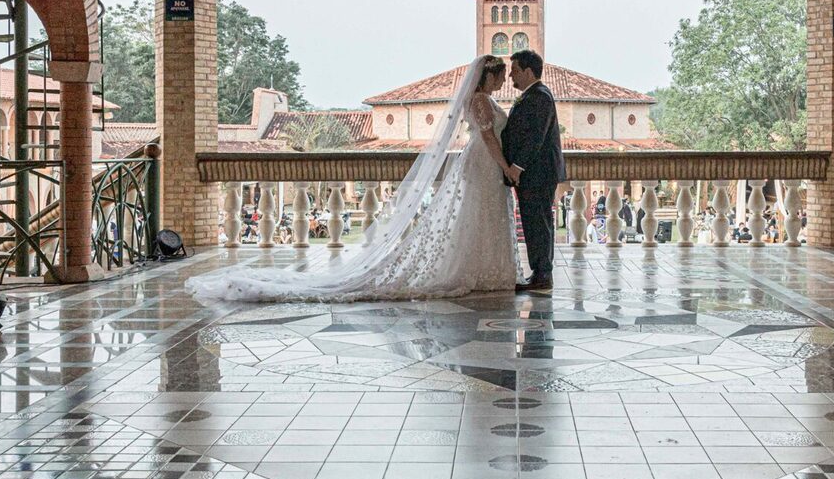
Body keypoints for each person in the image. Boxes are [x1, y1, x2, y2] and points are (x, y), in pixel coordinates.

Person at [184, 55, 519, 302]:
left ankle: (483, 269)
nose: (505, 81)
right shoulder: (480, 100)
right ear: (490, 76)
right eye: (502, 76)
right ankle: (481, 271)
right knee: (480, 215)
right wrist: (506, 166)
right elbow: (489, 138)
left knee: (479, 217)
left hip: (481, 163)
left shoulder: (481, 99)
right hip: (485, 162)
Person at [501, 49, 566, 293]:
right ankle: (540, 272)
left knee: (537, 222)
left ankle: (542, 274)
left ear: (528, 71)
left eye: (515, 70)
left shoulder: (539, 96)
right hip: (534, 172)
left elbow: (535, 137)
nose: (510, 76)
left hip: (537, 173)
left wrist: (517, 167)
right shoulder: (534, 95)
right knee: (535, 221)